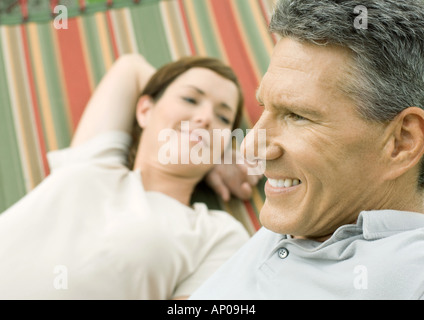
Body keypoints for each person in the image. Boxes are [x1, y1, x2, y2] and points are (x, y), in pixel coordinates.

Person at [190, 0, 424, 300]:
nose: (250, 146)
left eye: (297, 115)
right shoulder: (308, 211)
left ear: (401, 142)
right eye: (265, 108)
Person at [0, 54, 258, 299]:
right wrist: (217, 155)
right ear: (144, 110)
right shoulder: (96, 160)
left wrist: (209, 147)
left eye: (223, 117)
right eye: (190, 99)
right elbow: (130, 67)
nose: (205, 118)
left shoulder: (216, 235)